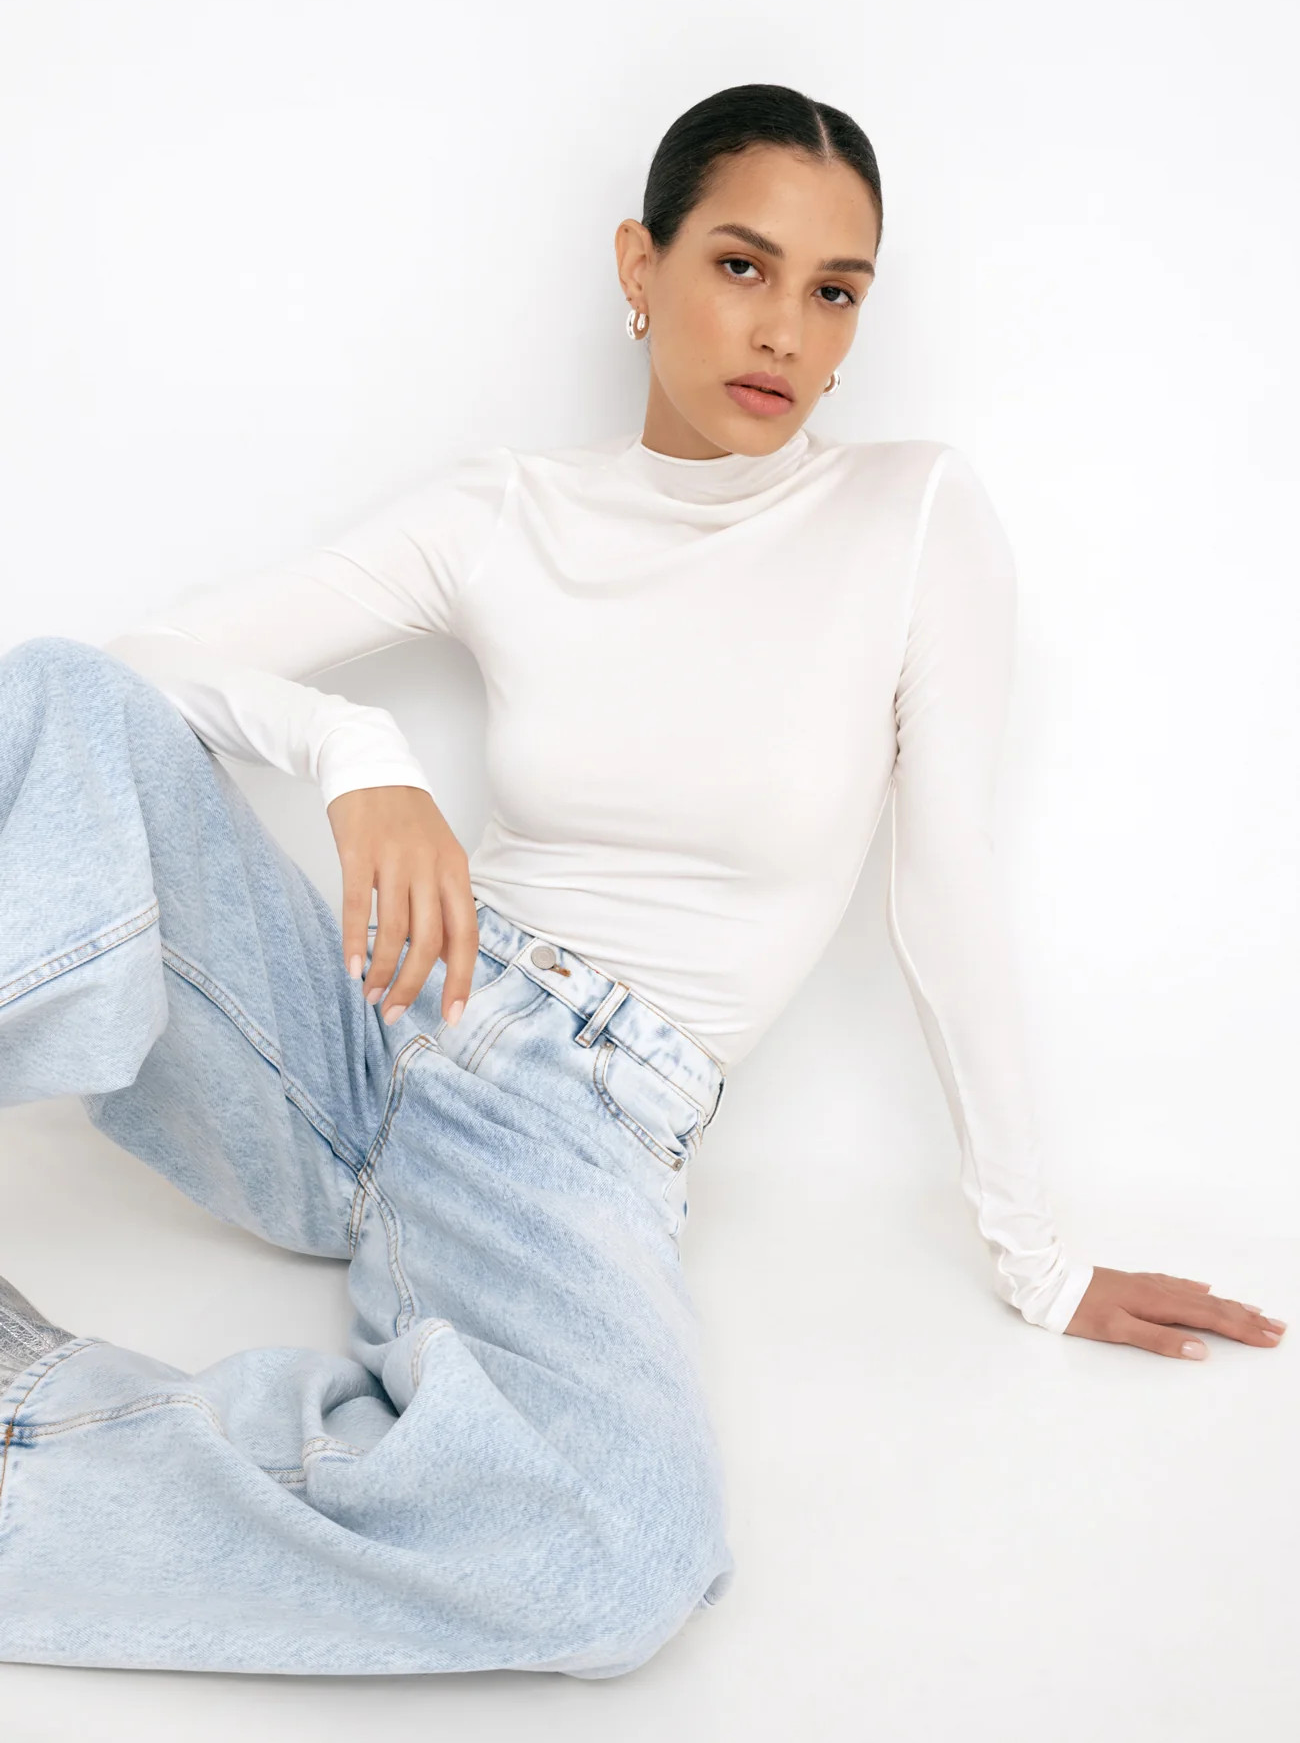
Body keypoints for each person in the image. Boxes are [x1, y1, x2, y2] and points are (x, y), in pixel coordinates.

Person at [0, 82, 1284, 1679]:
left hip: (576, 1130)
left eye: (836, 292)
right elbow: (131, 672)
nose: (788, 332)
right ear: (640, 263)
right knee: (52, 702)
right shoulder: (509, 511)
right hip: (358, 1019)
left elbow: (945, 886)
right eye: (742, 265)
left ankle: (33, 1421)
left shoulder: (912, 514)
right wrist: (353, 749)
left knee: (621, 1558)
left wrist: (1041, 1257)